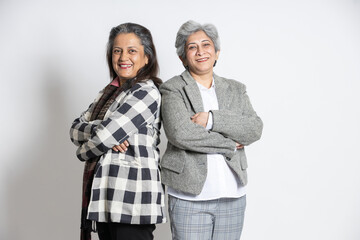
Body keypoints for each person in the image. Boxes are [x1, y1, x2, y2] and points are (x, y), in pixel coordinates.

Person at [160, 20, 263, 239]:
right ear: (182, 57)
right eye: (192, 47)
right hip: (189, 197)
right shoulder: (172, 88)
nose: (200, 52)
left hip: (233, 197)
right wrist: (228, 143)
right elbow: (181, 133)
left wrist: (211, 120)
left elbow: (253, 129)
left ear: (216, 52)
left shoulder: (236, 89)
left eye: (206, 45)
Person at [69, 23, 166, 240]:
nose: (123, 57)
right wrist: (107, 131)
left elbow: (104, 137)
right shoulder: (108, 93)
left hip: (132, 203)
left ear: (146, 57)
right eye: (117, 50)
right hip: (105, 200)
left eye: (132, 51)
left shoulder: (146, 91)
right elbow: (74, 129)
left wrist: (84, 150)